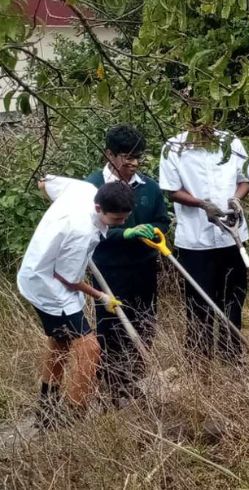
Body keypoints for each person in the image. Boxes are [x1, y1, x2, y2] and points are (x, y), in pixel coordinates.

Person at [18, 176, 135, 420]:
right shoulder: (82, 231)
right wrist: (102, 296)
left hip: (40, 273)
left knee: (60, 342)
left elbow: (44, 183)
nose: (121, 223)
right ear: (98, 208)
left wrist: (52, 223)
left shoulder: (84, 189)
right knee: (89, 348)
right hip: (47, 286)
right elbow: (68, 278)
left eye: (125, 218)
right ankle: (74, 415)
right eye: (116, 219)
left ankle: (46, 408)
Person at [159, 122, 249, 360]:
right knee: (199, 299)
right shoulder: (173, 148)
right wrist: (202, 204)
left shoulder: (230, 141)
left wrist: (235, 199)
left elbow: (245, 179)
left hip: (231, 234)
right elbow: (171, 191)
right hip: (196, 239)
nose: (204, 126)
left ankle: (231, 352)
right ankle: (199, 357)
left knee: (234, 296)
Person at [86, 125, 169, 398]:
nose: (133, 163)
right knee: (112, 327)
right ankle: (114, 386)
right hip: (109, 269)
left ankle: (136, 378)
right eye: (126, 157)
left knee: (145, 321)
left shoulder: (149, 188)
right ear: (110, 154)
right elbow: (88, 228)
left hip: (144, 266)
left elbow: (162, 220)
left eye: (138, 157)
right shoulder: (92, 187)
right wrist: (125, 233)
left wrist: (154, 231)